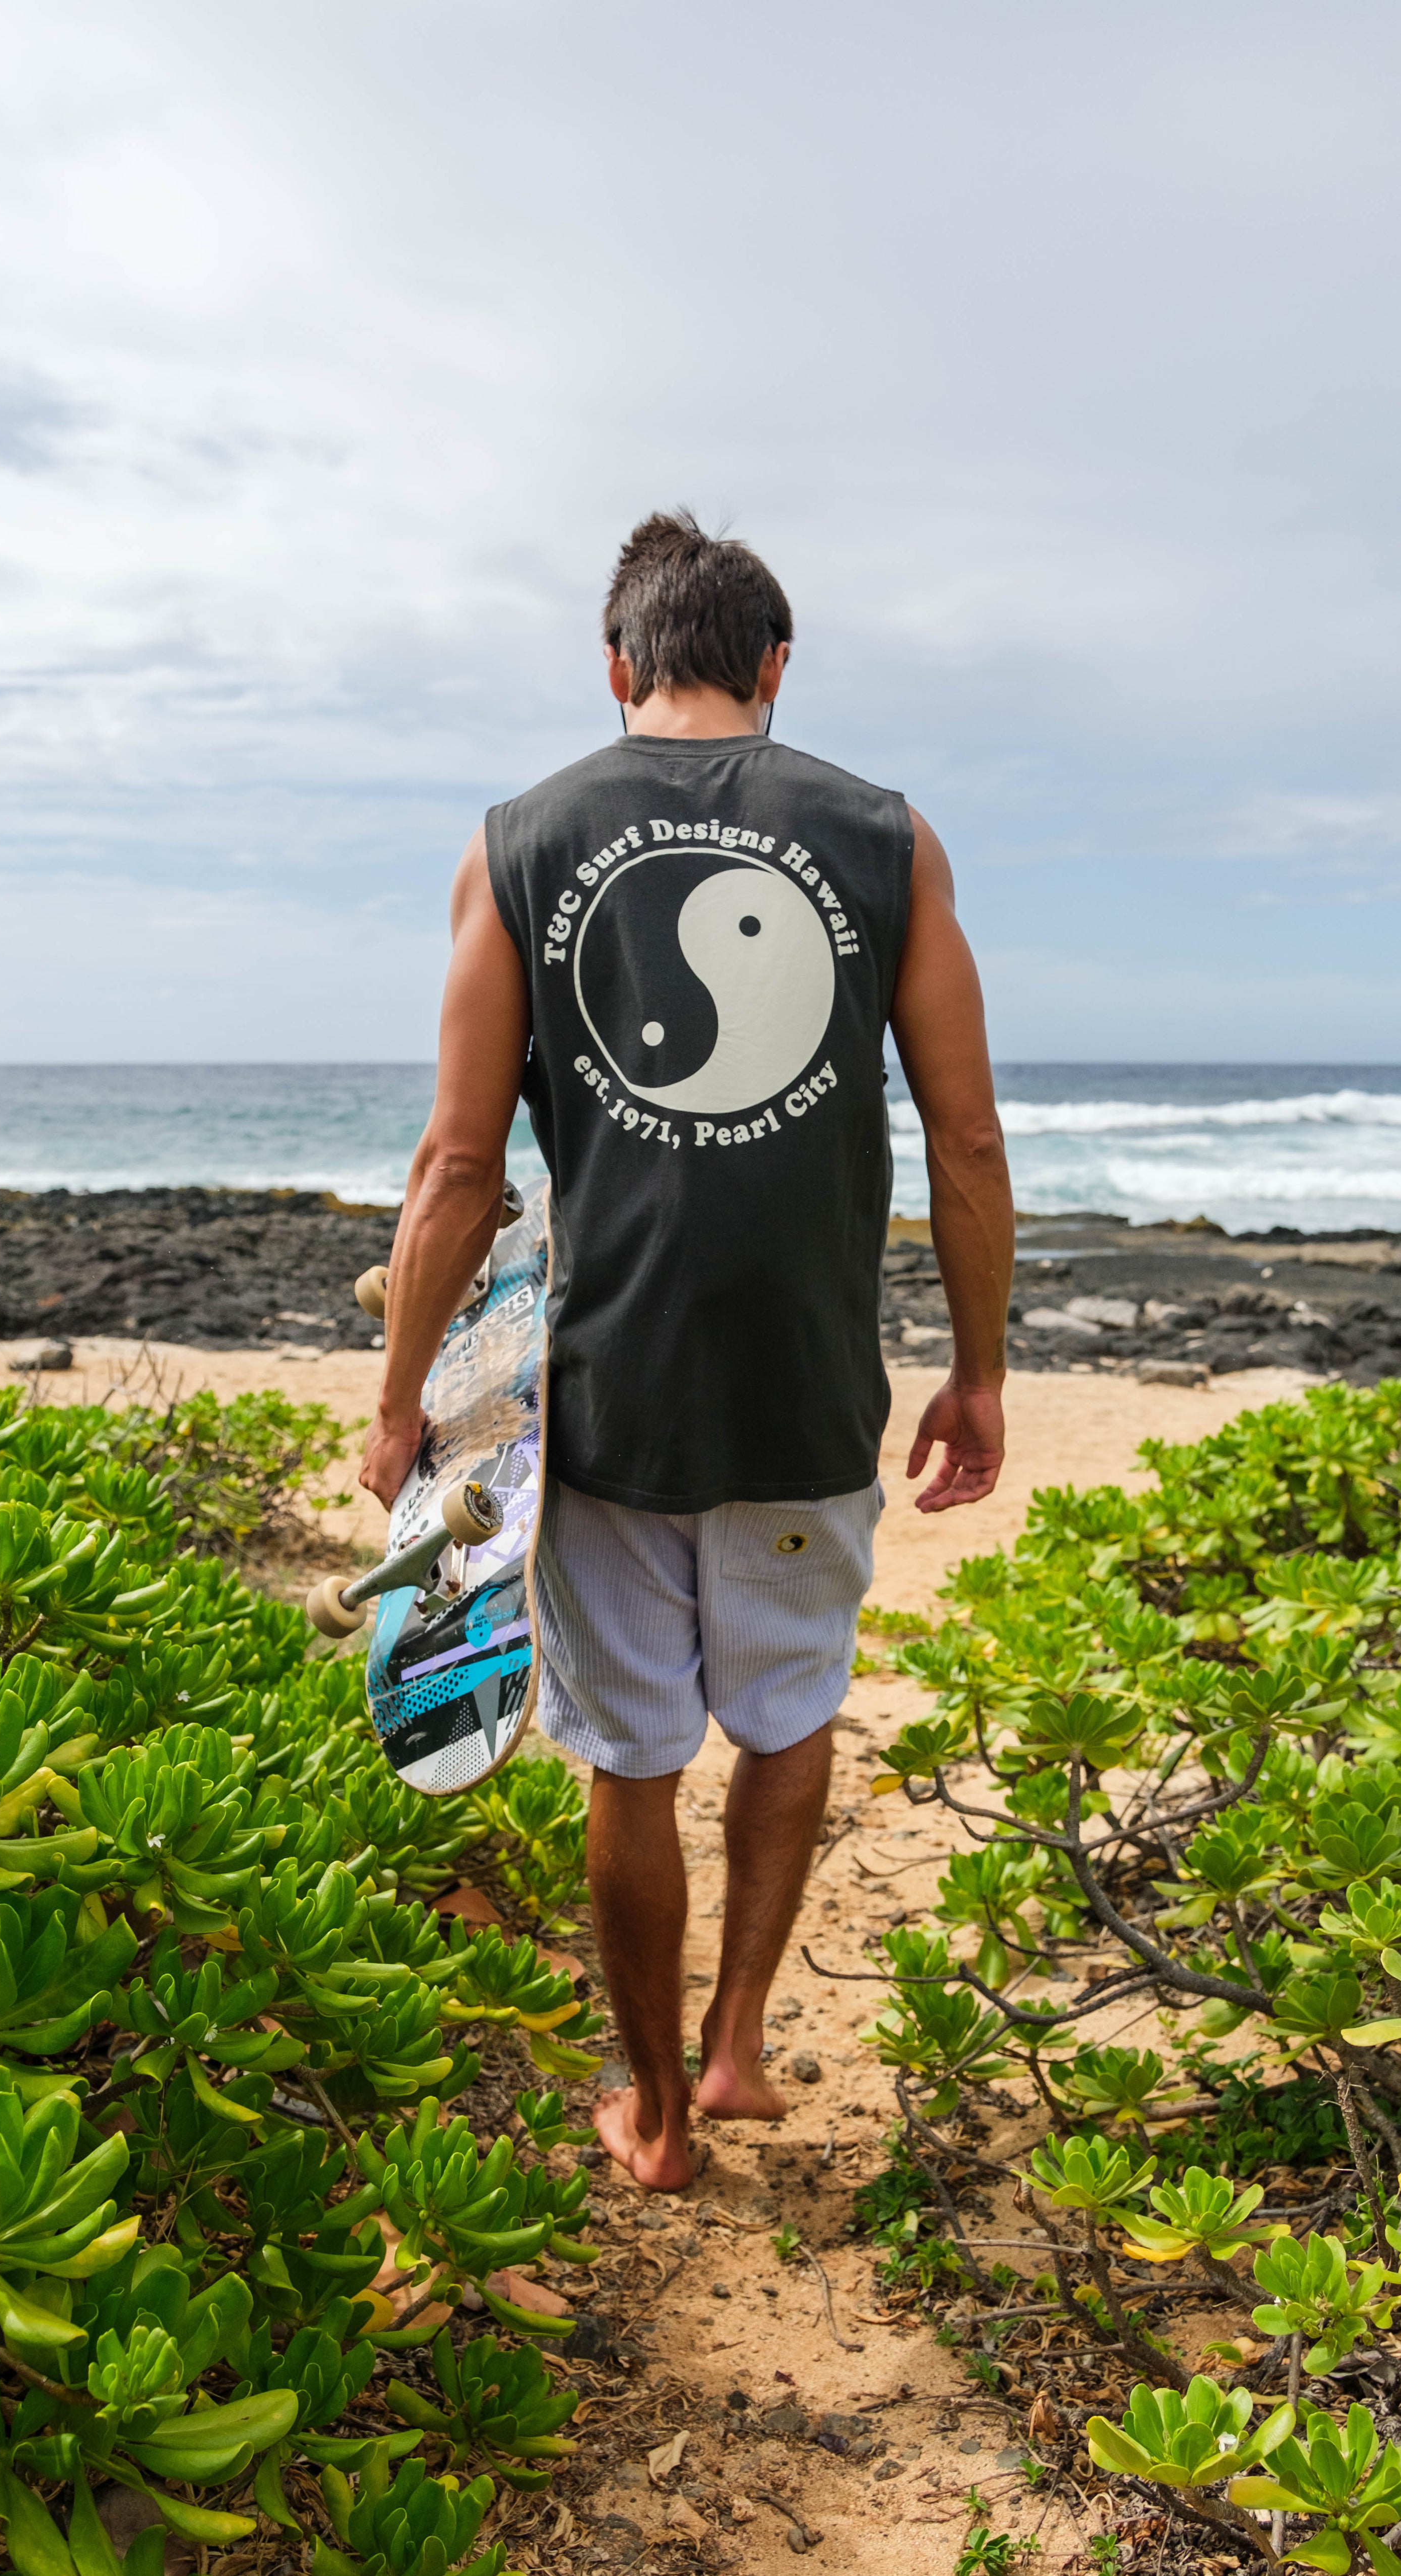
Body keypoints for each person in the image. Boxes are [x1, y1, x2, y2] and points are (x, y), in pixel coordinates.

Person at [359, 511, 1015, 2190]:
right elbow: (969, 1142)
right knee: (788, 1719)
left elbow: (454, 1168)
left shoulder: (520, 840)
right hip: (809, 1389)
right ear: (776, 669)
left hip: (610, 1396)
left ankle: (649, 2118)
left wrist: (398, 1405)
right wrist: (981, 1370)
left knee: (629, 1756)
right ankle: (734, 2054)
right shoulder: (887, 839)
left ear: (617, 667)